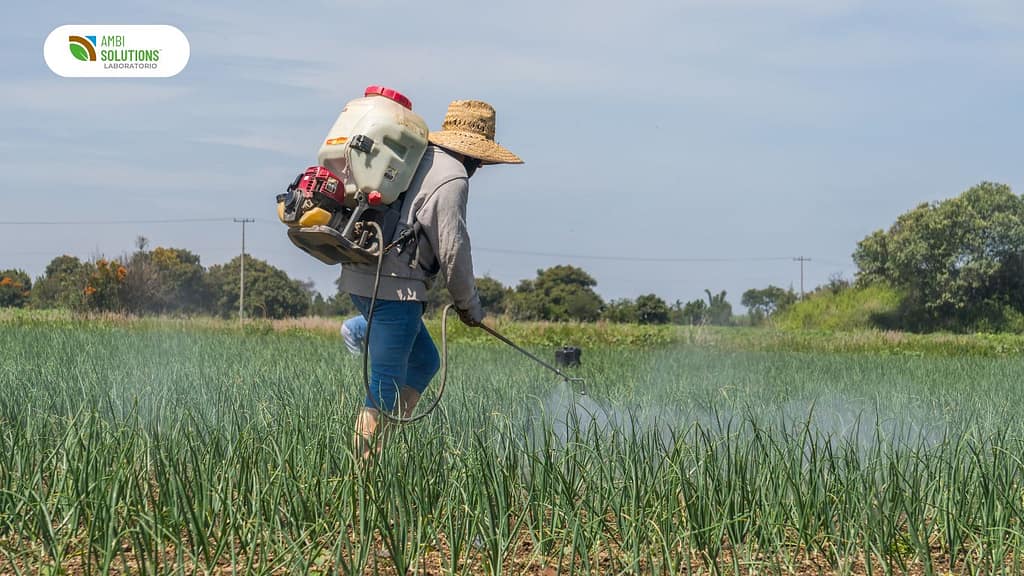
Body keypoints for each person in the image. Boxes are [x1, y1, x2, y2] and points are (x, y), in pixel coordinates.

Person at [338, 99, 523, 456]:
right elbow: (453, 249)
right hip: (394, 287)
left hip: (361, 276)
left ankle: (384, 451)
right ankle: (361, 477)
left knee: (425, 361)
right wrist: (469, 307)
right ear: (478, 154)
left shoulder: (418, 155)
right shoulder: (451, 176)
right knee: (383, 387)